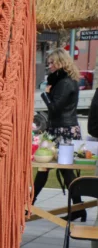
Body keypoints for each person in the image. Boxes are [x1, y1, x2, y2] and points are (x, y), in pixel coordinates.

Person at [34, 49, 83, 218]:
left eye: (52, 63)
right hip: (59, 129)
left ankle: (78, 208)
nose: (50, 66)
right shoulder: (64, 81)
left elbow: (55, 107)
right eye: (48, 63)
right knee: (44, 167)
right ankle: (29, 204)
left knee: (60, 170)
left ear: (61, 63)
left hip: (64, 131)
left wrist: (45, 95)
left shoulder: (65, 83)